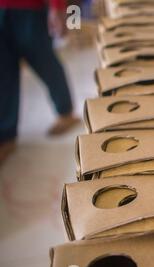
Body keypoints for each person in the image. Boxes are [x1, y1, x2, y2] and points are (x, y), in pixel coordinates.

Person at [0, 0, 80, 164]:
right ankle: (6, 133)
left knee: (44, 60)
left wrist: (57, 7)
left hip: (29, 8)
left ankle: (66, 111)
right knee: (4, 71)